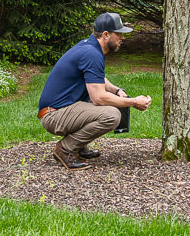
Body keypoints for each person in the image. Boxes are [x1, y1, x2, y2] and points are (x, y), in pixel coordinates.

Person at [37, 12, 152, 168]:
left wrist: (116, 90)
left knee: (110, 100)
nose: (122, 38)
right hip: (54, 115)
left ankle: (79, 146)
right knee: (111, 115)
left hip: (59, 109)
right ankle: (65, 149)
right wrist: (133, 102)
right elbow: (98, 98)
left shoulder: (89, 47)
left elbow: (96, 78)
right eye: (119, 34)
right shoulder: (92, 53)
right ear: (106, 35)